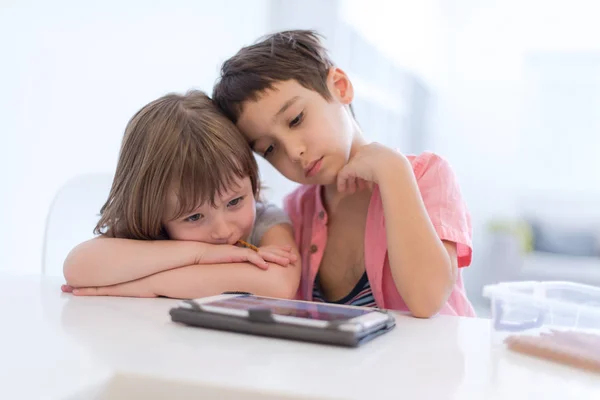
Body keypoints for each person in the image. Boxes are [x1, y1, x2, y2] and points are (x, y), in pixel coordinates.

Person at [212, 30, 475, 317]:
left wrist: (393, 171)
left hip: (429, 361)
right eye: (270, 149)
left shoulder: (428, 176)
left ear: (340, 87)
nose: (293, 152)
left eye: (296, 119)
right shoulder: (297, 212)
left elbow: (427, 299)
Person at [62, 90, 300, 299]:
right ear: (154, 212)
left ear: (252, 181)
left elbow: (280, 286)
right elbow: (78, 267)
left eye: (235, 201)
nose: (223, 231)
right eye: (194, 217)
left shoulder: (267, 222)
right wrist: (201, 254)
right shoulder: (150, 231)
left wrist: (149, 285)